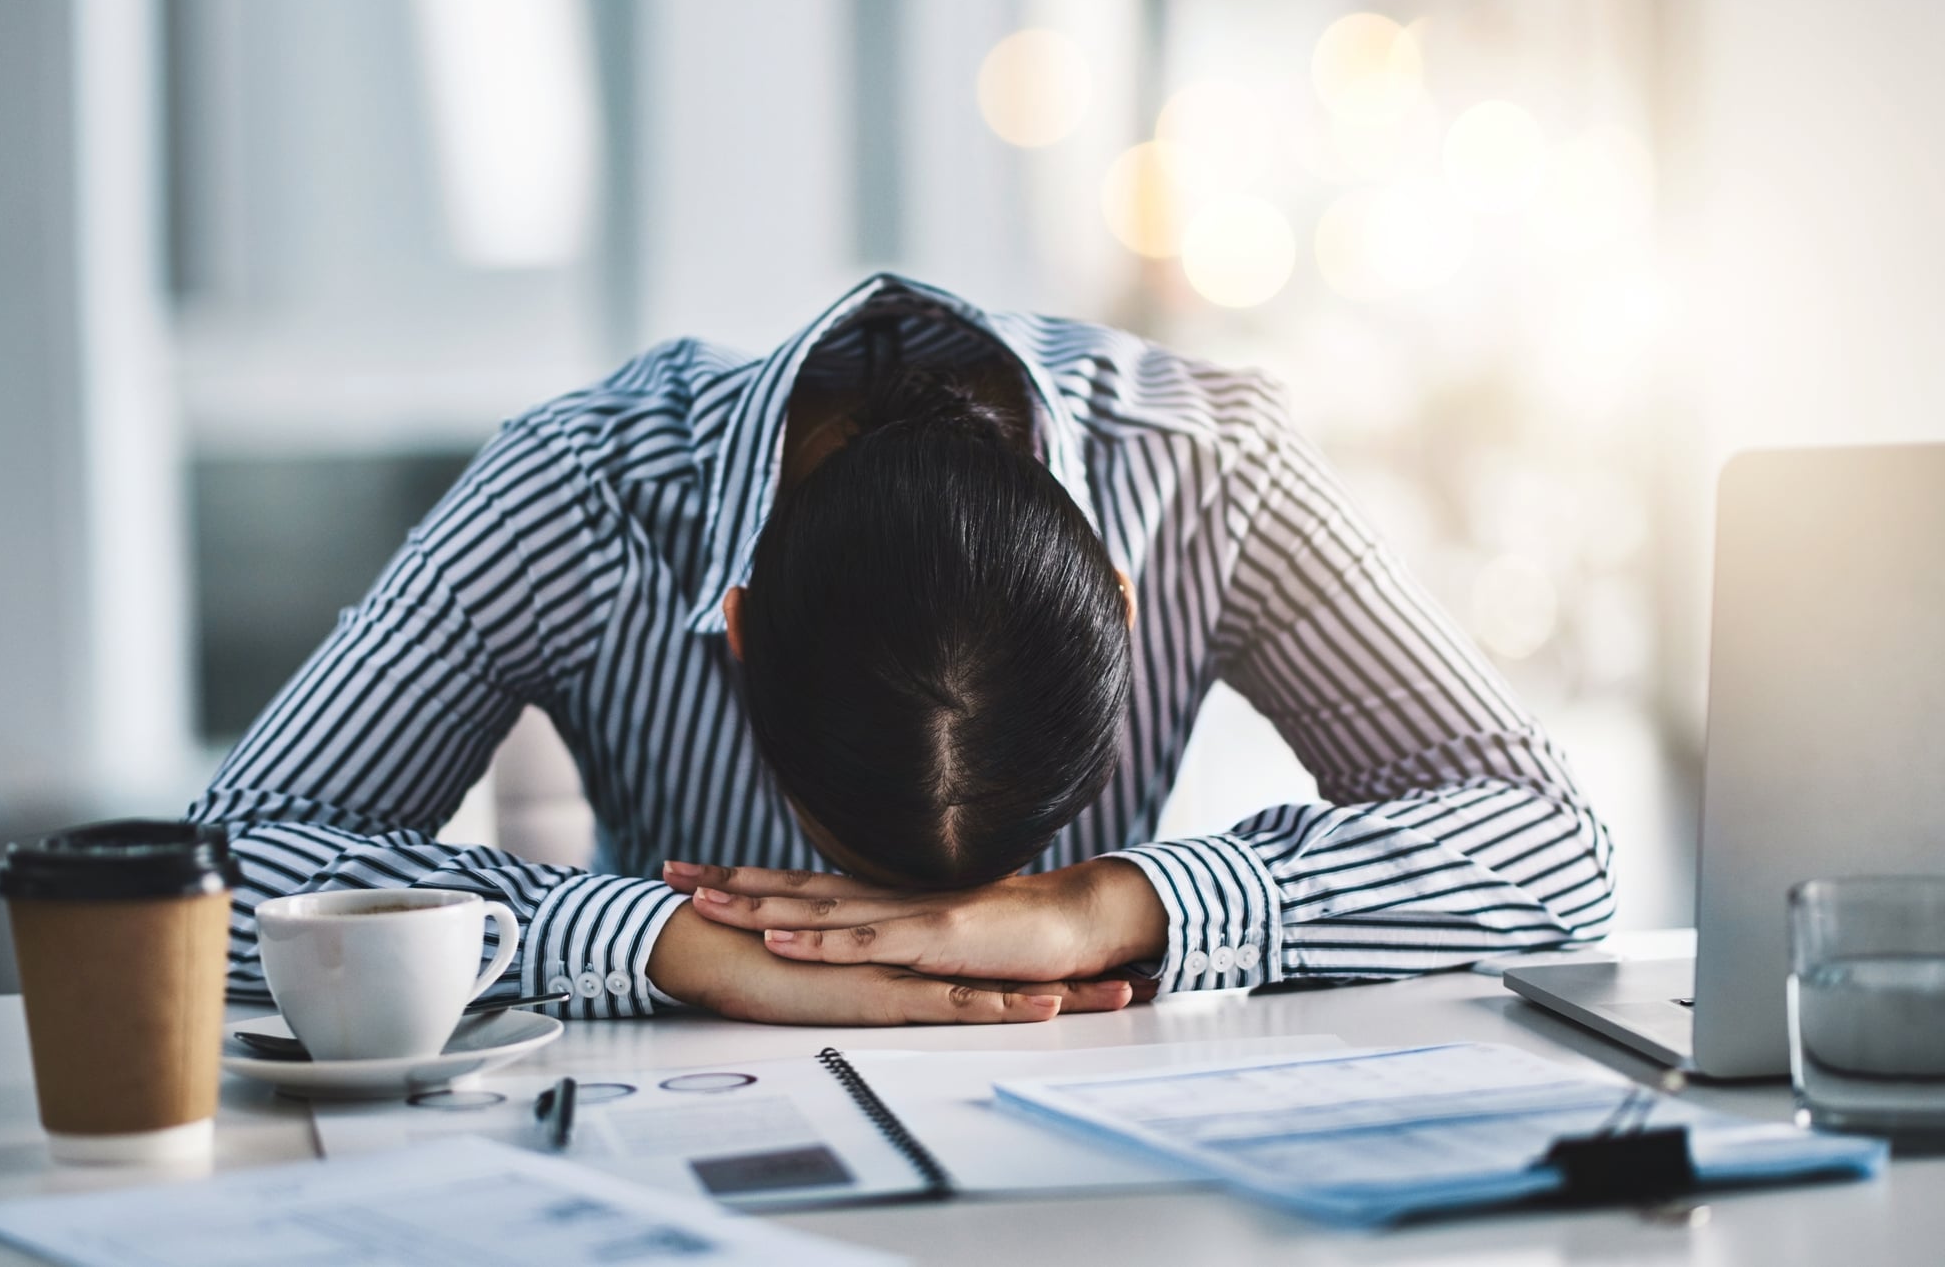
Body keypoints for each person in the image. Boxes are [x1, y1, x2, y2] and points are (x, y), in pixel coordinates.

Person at [189, 272, 1615, 1026]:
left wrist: (1110, 904)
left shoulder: (1212, 470)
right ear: (735, 627)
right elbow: (210, 872)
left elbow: (1553, 843)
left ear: (1116, 603)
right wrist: (669, 947)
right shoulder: (578, 492)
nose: (929, 953)